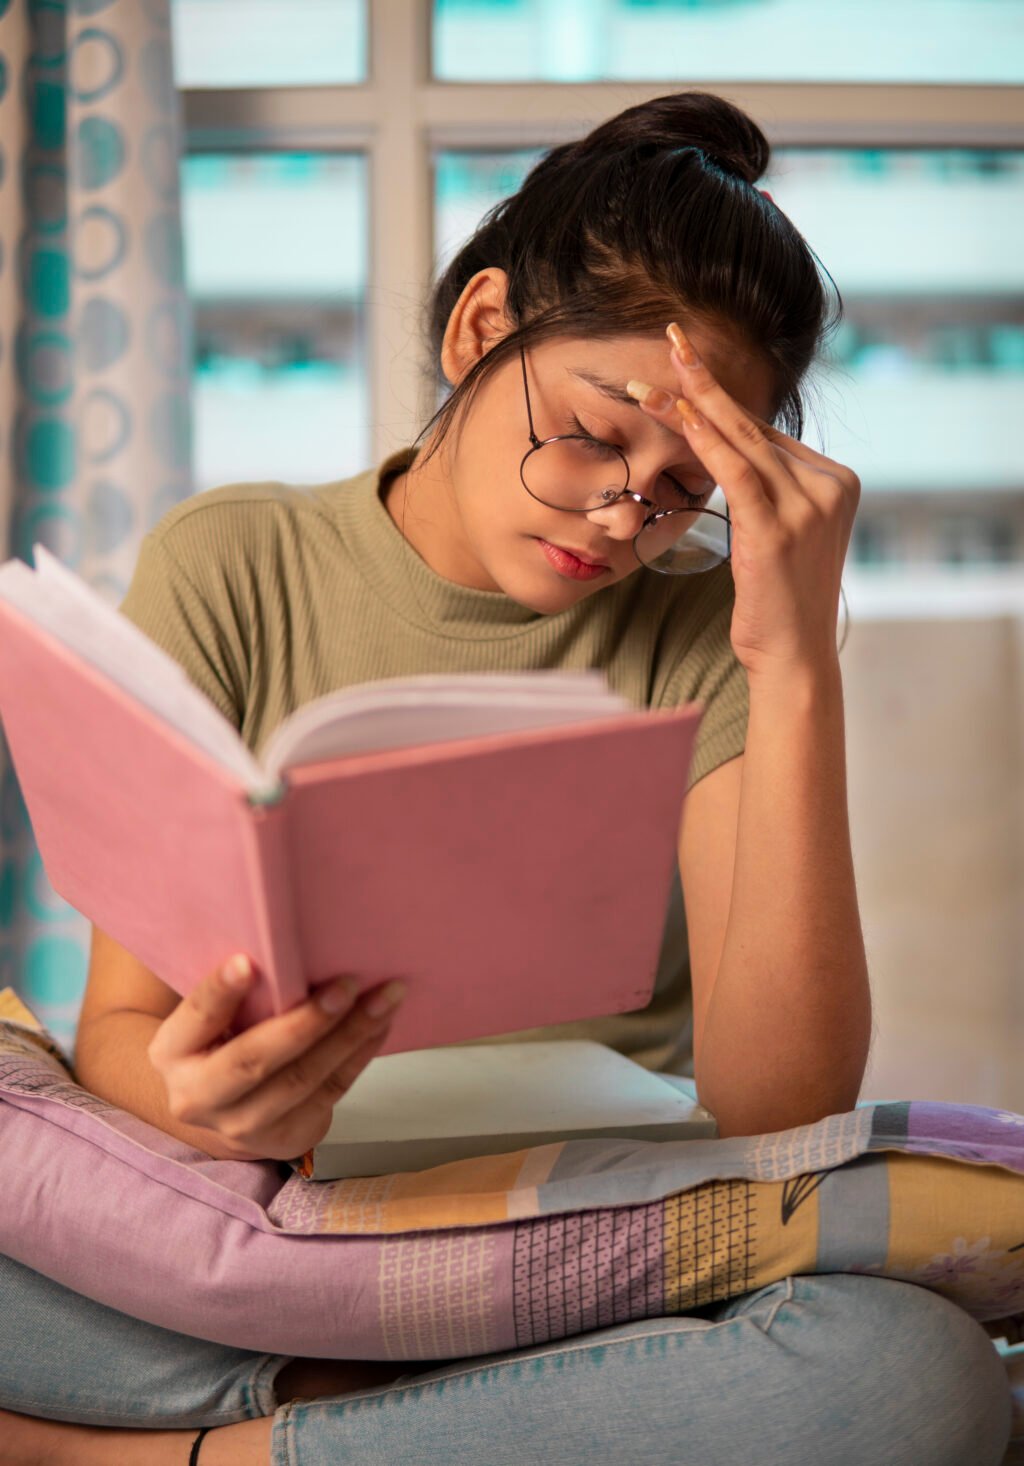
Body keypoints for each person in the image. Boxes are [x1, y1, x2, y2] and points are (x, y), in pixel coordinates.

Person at [0, 92, 1011, 1465]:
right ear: (481, 329)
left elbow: (787, 1108)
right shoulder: (229, 560)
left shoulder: (713, 626)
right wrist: (211, 1100)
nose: (622, 512)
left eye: (681, 487)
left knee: (914, 1381)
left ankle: (167, 1449)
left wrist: (795, 666)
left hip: (579, 1255)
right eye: (596, 434)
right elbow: (120, 1024)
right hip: (279, 1235)